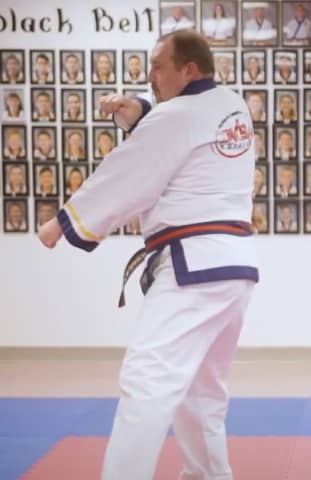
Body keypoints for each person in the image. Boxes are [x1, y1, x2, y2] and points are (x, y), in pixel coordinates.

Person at [37, 30, 258, 480]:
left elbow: (128, 173)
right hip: (234, 268)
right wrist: (139, 109)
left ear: (188, 69)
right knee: (201, 392)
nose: (149, 75)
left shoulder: (175, 117)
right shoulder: (231, 104)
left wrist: (63, 222)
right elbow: (181, 126)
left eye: (158, 66)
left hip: (191, 269)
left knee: (146, 380)